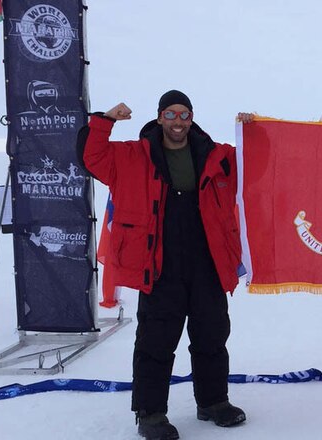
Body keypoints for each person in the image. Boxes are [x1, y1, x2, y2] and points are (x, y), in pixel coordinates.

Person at [77, 90, 254, 440]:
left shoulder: (215, 155)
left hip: (207, 261)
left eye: (184, 115)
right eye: (171, 114)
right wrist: (105, 120)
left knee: (212, 336)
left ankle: (214, 402)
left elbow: (257, 161)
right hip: (157, 264)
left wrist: (252, 132)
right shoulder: (132, 156)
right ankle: (151, 413)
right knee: (156, 341)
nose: (177, 121)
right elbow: (90, 157)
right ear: (159, 118)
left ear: (192, 119)